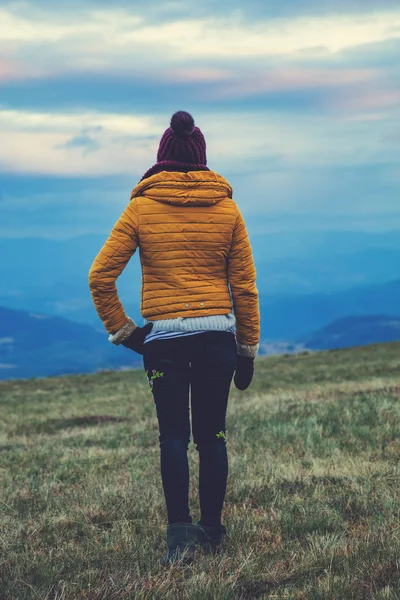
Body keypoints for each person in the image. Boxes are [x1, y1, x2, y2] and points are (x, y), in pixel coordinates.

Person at [88, 111, 260, 566]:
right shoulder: (228, 208)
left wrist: (127, 333)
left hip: (163, 339)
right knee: (213, 437)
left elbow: (100, 276)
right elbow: (244, 288)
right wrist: (247, 351)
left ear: (161, 157)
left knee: (172, 438)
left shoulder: (141, 208)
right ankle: (214, 532)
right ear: (202, 158)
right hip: (218, 340)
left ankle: (180, 539)